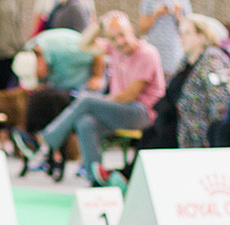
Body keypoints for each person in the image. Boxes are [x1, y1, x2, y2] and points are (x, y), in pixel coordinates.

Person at [14, 11, 165, 187]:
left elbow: (129, 95)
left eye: (122, 35)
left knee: (87, 100)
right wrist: (100, 24)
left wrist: (102, 101)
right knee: (85, 122)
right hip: (120, 110)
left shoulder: (147, 53)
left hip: (143, 113)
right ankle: (95, 179)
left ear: (131, 30)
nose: (119, 42)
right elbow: (83, 44)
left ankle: (43, 141)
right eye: (113, 38)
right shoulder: (114, 48)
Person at [98, 14, 230, 189]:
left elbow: (220, 100)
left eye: (186, 33)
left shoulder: (212, 59)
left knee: (158, 142)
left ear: (202, 36)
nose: (180, 37)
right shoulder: (186, 60)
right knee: (149, 135)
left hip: (195, 127)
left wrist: (210, 132)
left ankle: (126, 180)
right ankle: (126, 179)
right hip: (175, 120)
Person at [138, 0, 191, 78]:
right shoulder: (148, 1)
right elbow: (142, 29)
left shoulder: (183, 2)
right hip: (153, 55)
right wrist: (156, 14)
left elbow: (189, 30)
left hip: (174, 56)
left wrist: (178, 15)